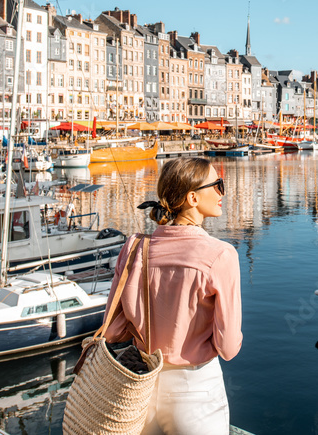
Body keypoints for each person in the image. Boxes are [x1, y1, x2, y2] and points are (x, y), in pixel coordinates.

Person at [104, 157, 242, 435]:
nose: (222, 193)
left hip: (140, 387)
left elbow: (113, 330)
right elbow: (228, 347)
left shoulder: (134, 247)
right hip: (195, 391)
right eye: (218, 185)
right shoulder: (220, 255)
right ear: (192, 197)